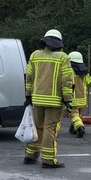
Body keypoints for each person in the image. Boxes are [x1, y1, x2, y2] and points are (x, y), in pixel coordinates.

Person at [23, 29, 74, 169]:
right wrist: (68, 100)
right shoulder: (63, 57)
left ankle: (30, 155)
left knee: (37, 128)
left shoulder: (35, 55)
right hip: (54, 100)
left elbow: (29, 77)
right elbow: (67, 81)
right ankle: (48, 160)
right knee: (49, 129)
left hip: (37, 99)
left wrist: (28, 95)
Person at [67, 51, 91, 138]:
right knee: (79, 115)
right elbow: (90, 82)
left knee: (73, 114)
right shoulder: (85, 72)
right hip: (83, 99)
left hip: (73, 98)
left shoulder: (69, 71)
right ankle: (74, 128)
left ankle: (79, 127)